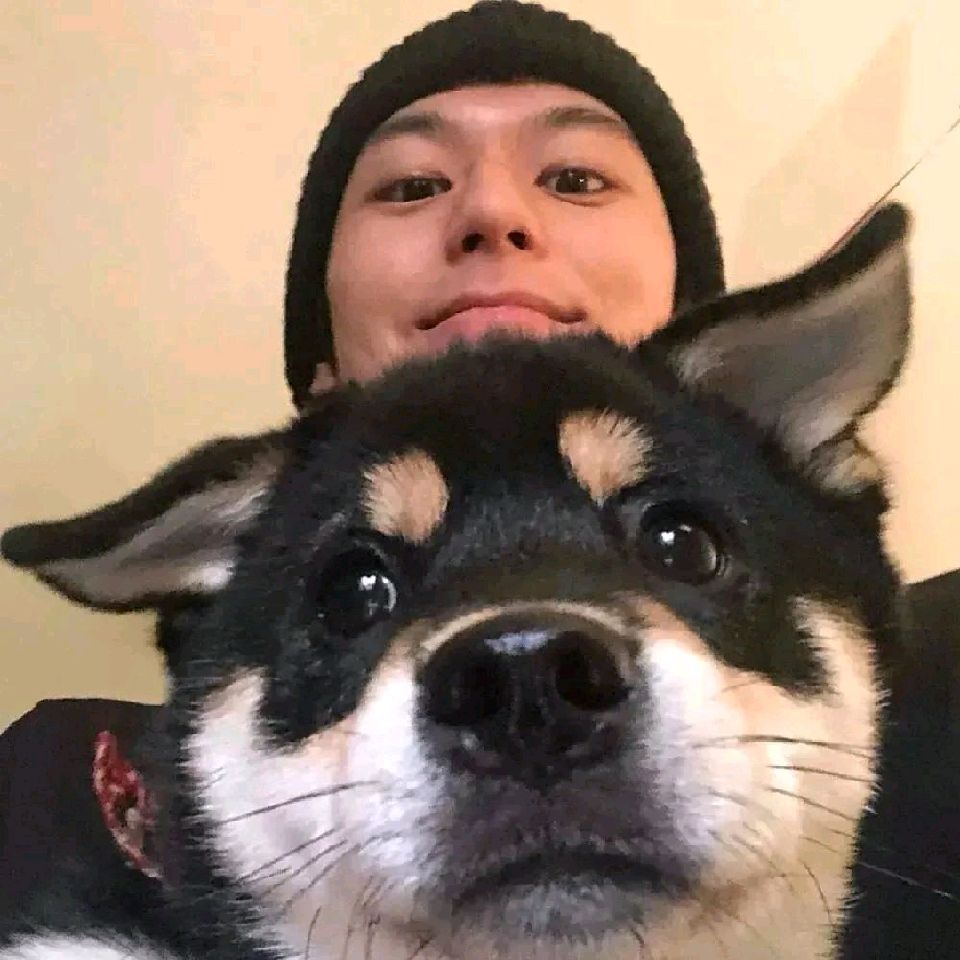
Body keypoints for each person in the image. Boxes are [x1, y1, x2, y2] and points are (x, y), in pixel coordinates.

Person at [1, 2, 957, 954]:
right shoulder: (44, 786)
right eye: (356, 592)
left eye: (680, 545)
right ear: (319, 374)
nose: (494, 213)